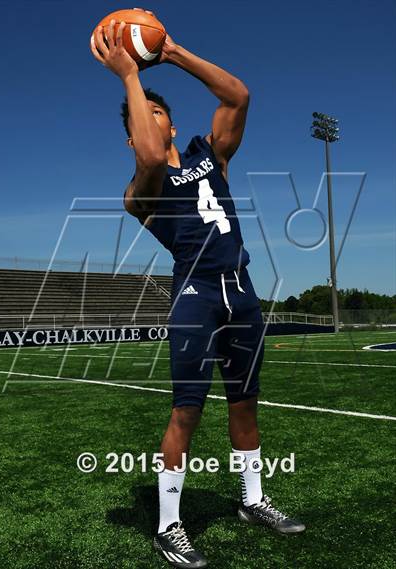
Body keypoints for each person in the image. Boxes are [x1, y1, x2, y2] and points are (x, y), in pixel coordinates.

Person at [91, 9, 305, 568]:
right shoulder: (141, 190)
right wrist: (129, 76)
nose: (156, 119)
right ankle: (169, 526)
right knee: (186, 413)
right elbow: (143, 155)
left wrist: (172, 52)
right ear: (138, 125)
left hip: (243, 289)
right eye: (147, 115)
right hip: (196, 295)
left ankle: (252, 500)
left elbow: (239, 95)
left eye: (160, 111)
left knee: (245, 406)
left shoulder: (210, 155)